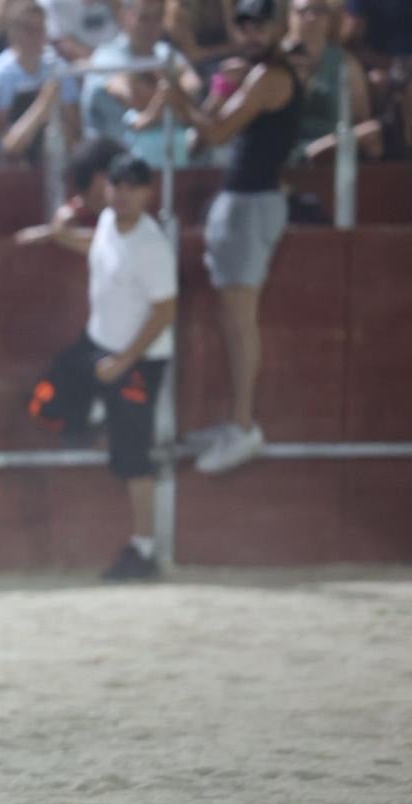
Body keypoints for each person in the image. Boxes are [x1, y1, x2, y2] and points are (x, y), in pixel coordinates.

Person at [22, 156, 178, 579]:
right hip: (98, 345)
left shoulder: (153, 246)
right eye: (117, 185)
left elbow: (165, 311)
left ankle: (144, 550)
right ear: (107, 189)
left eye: (133, 187)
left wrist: (124, 362)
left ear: (148, 193)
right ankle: (94, 414)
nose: (123, 194)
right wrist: (57, 234)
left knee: (132, 457)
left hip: (138, 361)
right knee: (45, 401)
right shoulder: (109, 220)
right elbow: (98, 246)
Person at [164, 0, 300, 474]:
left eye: (259, 24)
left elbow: (215, 134)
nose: (251, 33)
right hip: (244, 201)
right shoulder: (254, 75)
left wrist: (178, 100)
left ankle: (243, 425)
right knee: (232, 319)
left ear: (277, 28)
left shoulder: (271, 77)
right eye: (244, 24)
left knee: (240, 322)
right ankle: (236, 422)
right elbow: (205, 138)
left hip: (252, 202)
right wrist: (219, 87)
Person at [83, 0, 202, 145]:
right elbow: (130, 96)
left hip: (167, 151)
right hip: (112, 156)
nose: (151, 26)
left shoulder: (167, 53)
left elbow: (194, 87)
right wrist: (170, 93)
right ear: (124, 17)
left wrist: (170, 94)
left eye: (157, 18)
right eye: (143, 18)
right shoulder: (106, 56)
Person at [0, 1, 82, 163]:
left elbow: (75, 132)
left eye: (40, 29)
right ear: (12, 32)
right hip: (6, 165)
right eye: (28, 29)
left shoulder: (60, 70)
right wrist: (42, 106)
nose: (36, 36)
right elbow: (8, 148)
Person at [285, 0, 373, 163]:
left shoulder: (345, 63)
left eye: (319, 11)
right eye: (303, 11)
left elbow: (362, 118)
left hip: (329, 151)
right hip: (281, 150)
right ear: (290, 16)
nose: (311, 17)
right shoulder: (274, 60)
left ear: (330, 18)